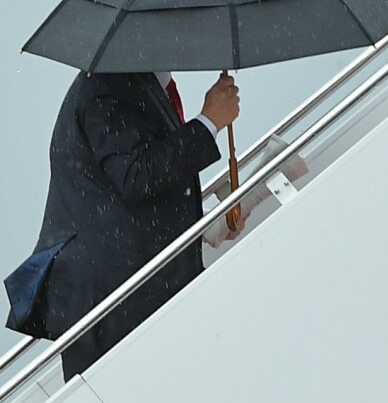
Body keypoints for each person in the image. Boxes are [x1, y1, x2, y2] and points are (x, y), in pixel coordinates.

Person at [3, 71, 240, 380]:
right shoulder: (106, 86)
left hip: (124, 289)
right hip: (109, 297)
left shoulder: (132, 81)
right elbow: (134, 175)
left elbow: (134, 195)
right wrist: (208, 123)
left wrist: (210, 220)